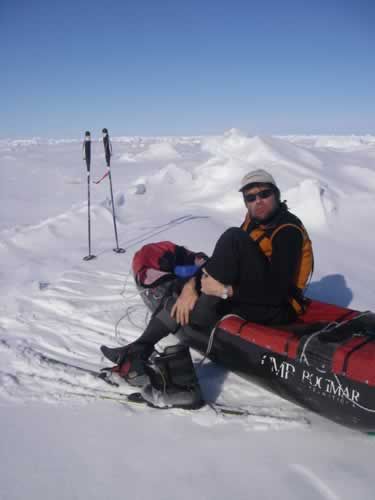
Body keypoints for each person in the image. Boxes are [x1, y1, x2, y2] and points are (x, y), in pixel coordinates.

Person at [100, 168, 313, 392]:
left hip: (279, 307)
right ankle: (138, 349)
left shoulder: (287, 231)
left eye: (264, 194)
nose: (258, 201)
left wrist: (225, 292)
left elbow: (277, 292)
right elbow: (223, 263)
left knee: (231, 241)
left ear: (276, 195)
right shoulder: (254, 223)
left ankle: (179, 359)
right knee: (181, 286)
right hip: (253, 295)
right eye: (251, 197)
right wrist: (191, 286)